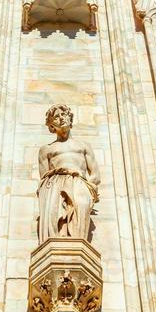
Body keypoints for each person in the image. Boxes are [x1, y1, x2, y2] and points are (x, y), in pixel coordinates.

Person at [37, 105, 100, 244]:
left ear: (70, 118)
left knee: (80, 209)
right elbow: (43, 179)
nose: (61, 118)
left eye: (64, 115)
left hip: (79, 183)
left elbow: (95, 175)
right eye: (56, 117)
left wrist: (87, 187)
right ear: (51, 126)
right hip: (55, 184)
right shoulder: (46, 149)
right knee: (54, 216)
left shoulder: (83, 146)